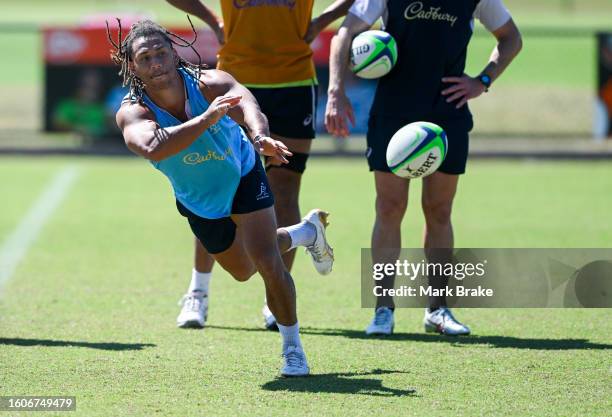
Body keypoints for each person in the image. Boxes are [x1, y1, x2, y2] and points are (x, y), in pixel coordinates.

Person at [110, 19, 335, 376]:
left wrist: (260, 136)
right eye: (146, 57)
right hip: (199, 198)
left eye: (161, 53)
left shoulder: (208, 83)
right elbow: (153, 146)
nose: (156, 63)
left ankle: (293, 349)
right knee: (243, 270)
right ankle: (304, 234)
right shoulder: (134, 111)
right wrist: (208, 118)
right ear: (132, 65)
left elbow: (248, 104)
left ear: (173, 53)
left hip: (243, 171)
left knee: (265, 260)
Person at [325, 0, 522, 335]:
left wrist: (483, 80)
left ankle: (438, 309)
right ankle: (383, 309)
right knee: (389, 207)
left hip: (448, 110)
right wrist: (335, 91)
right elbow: (344, 34)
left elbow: (511, 38)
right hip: (394, 111)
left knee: (439, 209)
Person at [166, 0, 353, 330]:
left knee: (284, 188)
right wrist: (211, 18)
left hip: (293, 81)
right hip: (234, 78)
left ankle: (274, 294)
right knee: (213, 187)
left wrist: (322, 19)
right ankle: (199, 291)